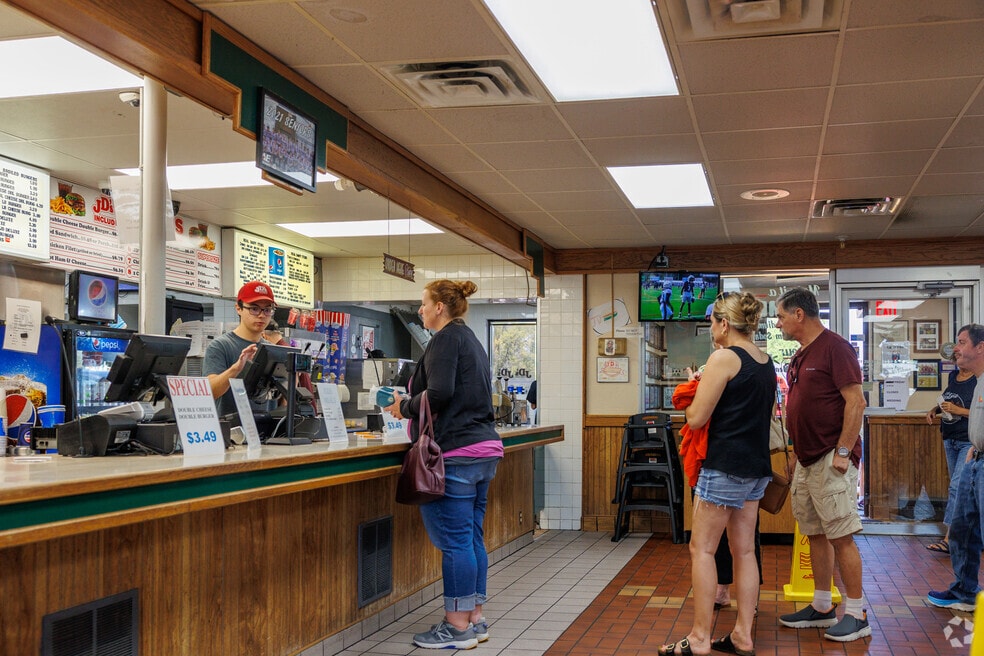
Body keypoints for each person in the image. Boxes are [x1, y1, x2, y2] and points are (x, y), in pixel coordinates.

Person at [384, 280, 503, 650]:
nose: (420, 310)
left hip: (456, 455)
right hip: (484, 451)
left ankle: (456, 627)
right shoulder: (470, 339)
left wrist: (402, 406)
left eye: (424, 303)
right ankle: (475, 618)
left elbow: (440, 393)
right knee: (470, 538)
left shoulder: (446, 339)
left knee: (455, 543)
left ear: (439, 307)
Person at [658, 291, 774, 656]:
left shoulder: (724, 358)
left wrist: (695, 386)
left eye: (711, 322)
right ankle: (742, 634)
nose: (710, 329)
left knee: (702, 549)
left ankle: (699, 638)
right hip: (756, 469)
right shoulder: (765, 360)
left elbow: (696, 418)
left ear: (724, 324)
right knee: (744, 552)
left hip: (724, 466)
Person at [774, 287, 870, 642]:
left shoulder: (836, 348)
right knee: (815, 532)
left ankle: (858, 613)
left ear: (800, 314)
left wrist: (843, 453)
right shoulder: (800, 355)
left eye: (782, 316)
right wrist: (797, 456)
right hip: (807, 458)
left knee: (841, 535)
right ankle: (822, 606)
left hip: (832, 457)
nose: (779, 322)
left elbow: (855, 402)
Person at [927, 324, 984, 612]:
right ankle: (965, 591)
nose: (955, 348)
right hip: (974, 457)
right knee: (963, 528)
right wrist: (975, 445)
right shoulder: (977, 380)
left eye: (961, 342)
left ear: (980, 347)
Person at [924, 356, 975, 554]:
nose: (958, 360)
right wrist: (935, 409)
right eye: (956, 358)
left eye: (962, 357)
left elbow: (979, 412)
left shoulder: (979, 379)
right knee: (961, 489)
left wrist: (958, 410)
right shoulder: (953, 376)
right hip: (950, 438)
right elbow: (948, 401)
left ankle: (949, 538)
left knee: (957, 487)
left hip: (968, 441)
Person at [204, 280, 276, 416]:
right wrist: (236, 368)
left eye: (267, 310)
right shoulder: (221, 346)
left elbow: (279, 401)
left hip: (266, 430)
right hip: (230, 432)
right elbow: (209, 392)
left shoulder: (272, 350)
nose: (261, 315)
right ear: (238, 308)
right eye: (254, 309)